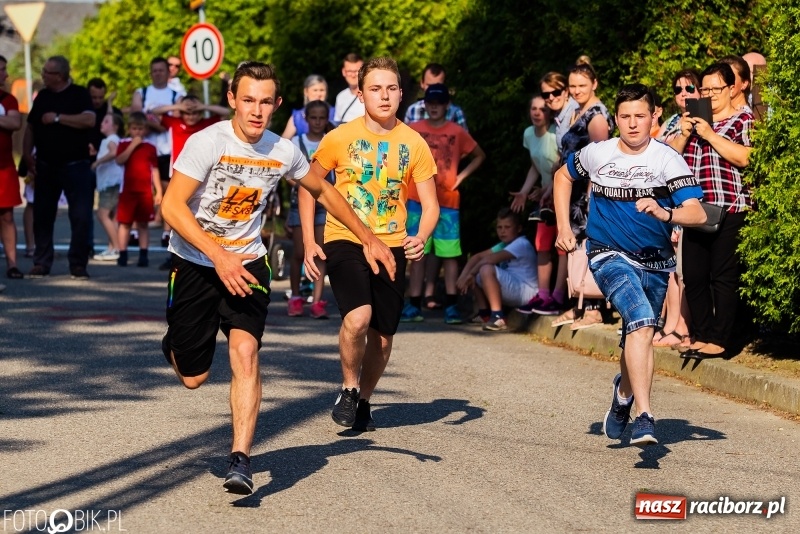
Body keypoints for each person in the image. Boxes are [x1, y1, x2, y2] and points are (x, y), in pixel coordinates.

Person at [160, 61, 396, 495]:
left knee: (246, 354)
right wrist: (217, 256)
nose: (256, 110)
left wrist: (367, 238)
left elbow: (324, 190)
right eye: (248, 99)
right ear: (232, 99)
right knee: (193, 376)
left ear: (278, 105)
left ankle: (241, 459)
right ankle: (175, 342)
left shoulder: (281, 150)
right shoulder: (205, 142)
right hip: (196, 261)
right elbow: (172, 208)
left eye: (265, 101)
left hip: (248, 262)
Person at [553, 83, 706, 446]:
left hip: (655, 261)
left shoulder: (667, 159)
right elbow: (563, 176)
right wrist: (563, 226)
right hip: (608, 253)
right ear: (615, 118)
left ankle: (623, 395)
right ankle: (646, 416)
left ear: (654, 117)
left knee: (640, 333)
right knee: (639, 321)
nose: (633, 124)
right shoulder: (597, 153)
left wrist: (666, 211)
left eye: (640, 116)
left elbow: (697, 212)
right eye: (625, 117)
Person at [298, 56, 439, 433]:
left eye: (391, 88)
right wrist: (311, 241)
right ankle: (347, 387)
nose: (384, 96)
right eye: (375, 89)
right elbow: (310, 185)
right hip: (345, 237)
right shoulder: (340, 137)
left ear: (401, 93)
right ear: (360, 94)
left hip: (392, 244)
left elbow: (430, 205)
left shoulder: (414, 143)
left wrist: (421, 236)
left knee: (383, 337)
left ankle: (364, 399)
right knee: (357, 318)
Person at [669, 63, 754, 360]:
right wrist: (683, 134)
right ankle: (702, 334)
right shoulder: (690, 120)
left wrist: (710, 135)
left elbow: (745, 157)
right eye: (703, 89)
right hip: (695, 209)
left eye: (715, 89)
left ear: (731, 89)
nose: (708, 94)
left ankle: (721, 340)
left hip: (731, 206)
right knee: (692, 275)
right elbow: (669, 160)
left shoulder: (743, 119)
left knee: (723, 277)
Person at [531, 57, 614, 330]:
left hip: (589, 192)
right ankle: (577, 304)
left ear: (594, 84)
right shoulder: (577, 111)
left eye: (582, 85)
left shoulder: (597, 114)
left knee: (592, 245)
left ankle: (594, 308)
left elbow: (601, 156)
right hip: (572, 191)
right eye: (573, 86)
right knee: (575, 247)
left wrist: (592, 194)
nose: (577, 90)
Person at [401, 83, 485, 324]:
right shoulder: (412, 129)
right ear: (424, 105)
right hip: (417, 200)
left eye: (439, 104)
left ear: (447, 105)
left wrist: (460, 177)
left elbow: (479, 155)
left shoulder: (457, 131)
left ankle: (451, 305)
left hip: (447, 200)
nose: (434, 107)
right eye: (430, 103)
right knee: (417, 253)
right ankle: (414, 304)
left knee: (449, 254)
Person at [23, 56, 96, 279]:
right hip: (46, 165)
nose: (43, 75)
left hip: (76, 165)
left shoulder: (79, 94)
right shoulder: (43, 96)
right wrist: (26, 155)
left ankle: (78, 264)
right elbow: (31, 127)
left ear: (60, 76)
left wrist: (57, 118)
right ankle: (41, 262)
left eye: (47, 72)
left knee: (81, 216)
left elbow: (89, 120)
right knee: (42, 216)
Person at [652, 69, 702, 349]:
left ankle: (683, 327)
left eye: (690, 87)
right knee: (672, 268)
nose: (683, 93)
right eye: (678, 89)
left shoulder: (705, 118)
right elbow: (665, 156)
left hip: (693, 201)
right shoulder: (673, 121)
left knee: (685, 270)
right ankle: (672, 323)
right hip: (671, 201)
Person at [151, 94, 231, 269]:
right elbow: (154, 111)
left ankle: (201, 251)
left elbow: (226, 111)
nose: (191, 115)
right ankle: (175, 254)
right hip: (178, 175)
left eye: (195, 112)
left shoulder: (206, 125)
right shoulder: (173, 123)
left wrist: (203, 106)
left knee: (199, 215)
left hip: (203, 178)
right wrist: (179, 108)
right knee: (176, 215)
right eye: (187, 112)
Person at [510, 94, 559, 314]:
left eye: (542, 109)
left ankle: (557, 298)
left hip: (562, 194)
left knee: (562, 247)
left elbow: (561, 165)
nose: (537, 113)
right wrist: (524, 191)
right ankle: (543, 295)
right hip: (545, 197)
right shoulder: (529, 134)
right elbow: (536, 166)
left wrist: (549, 188)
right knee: (542, 245)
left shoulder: (557, 134)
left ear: (550, 113)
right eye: (534, 109)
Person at [286, 100, 335, 318]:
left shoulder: (331, 141)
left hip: (325, 203)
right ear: (306, 119)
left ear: (327, 119)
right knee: (299, 252)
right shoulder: (296, 141)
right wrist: (302, 185)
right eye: (313, 117)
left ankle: (317, 301)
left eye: (321, 118)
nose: (317, 122)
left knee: (320, 253)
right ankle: (296, 297)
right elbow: (286, 173)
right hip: (300, 202)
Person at [130, 57, 186, 245]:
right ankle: (137, 230)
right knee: (141, 188)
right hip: (143, 147)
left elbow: (179, 117)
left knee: (167, 188)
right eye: (154, 70)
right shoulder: (142, 92)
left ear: (167, 72)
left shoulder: (176, 94)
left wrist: (155, 119)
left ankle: (166, 230)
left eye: (161, 70)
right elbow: (137, 115)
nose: (158, 73)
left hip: (166, 148)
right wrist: (159, 123)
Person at [456, 208, 538, 331]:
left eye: (507, 227)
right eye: (499, 227)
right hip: (514, 289)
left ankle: (498, 316)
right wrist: (463, 276)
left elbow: (488, 260)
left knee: (485, 269)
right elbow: (477, 257)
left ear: (519, 228)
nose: (502, 231)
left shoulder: (521, 243)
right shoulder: (504, 245)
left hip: (527, 293)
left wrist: (470, 274)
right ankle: (484, 314)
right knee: (480, 271)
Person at [114, 112, 162, 267]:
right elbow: (119, 160)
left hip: (144, 192)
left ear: (146, 129)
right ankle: (122, 253)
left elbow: (154, 169)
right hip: (127, 191)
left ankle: (143, 254)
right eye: (134, 129)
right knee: (125, 223)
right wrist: (132, 145)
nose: (138, 132)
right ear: (129, 129)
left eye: (141, 129)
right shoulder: (123, 143)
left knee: (143, 224)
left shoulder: (150, 147)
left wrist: (159, 191)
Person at [0, 55, 23, 279]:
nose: (5, 75)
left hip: (4, 167)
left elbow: (15, 123)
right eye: (1, 70)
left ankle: (12, 264)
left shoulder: (8, 100)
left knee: (7, 216)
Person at [91, 112, 124, 261]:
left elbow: (113, 152)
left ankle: (116, 248)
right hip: (111, 183)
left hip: (110, 183)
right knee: (111, 217)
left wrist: (98, 162)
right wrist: (96, 154)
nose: (102, 123)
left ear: (115, 126)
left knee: (102, 215)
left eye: (106, 121)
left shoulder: (112, 139)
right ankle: (112, 247)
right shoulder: (110, 139)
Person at [403, 63, 468, 130]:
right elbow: (404, 138)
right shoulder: (413, 110)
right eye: (430, 86)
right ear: (422, 83)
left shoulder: (455, 113)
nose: (433, 90)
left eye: (438, 86)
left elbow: (464, 139)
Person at [281, 74, 335, 139]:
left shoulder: (335, 113)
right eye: (315, 90)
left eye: (322, 90)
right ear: (306, 91)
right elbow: (284, 141)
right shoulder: (297, 117)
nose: (318, 94)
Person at [332, 53, 365, 124]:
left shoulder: (371, 95)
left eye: (357, 71)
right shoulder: (340, 96)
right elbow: (337, 124)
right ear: (343, 72)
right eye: (349, 71)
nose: (353, 75)